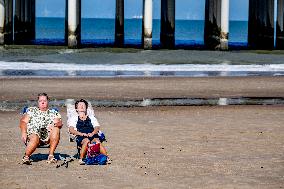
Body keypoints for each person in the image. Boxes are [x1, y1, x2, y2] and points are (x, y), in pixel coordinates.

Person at [19, 93, 63, 165]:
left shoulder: (53, 112)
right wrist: (23, 132)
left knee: (56, 129)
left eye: (44, 101)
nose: (42, 102)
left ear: (48, 102)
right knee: (35, 137)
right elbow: (23, 121)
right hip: (33, 134)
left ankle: (51, 156)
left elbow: (60, 123)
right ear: (38, 102)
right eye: (40, 101)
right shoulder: (31, 111)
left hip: (48, 136)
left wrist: (54, 124)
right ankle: (26, 157)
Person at [68, 99, 108, 165]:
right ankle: (81, 159)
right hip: (80, 135)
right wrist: (81, 134)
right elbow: (71, 129)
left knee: (97, 141)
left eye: (83, 105)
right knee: (86, 141)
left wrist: (92, 133)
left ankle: (106, 158)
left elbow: (97, 127)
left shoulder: (91, 117)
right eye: (79, 105)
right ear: (76, 109)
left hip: (91, 134)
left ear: (86, 108)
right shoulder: (74, 118)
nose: (81, 106)